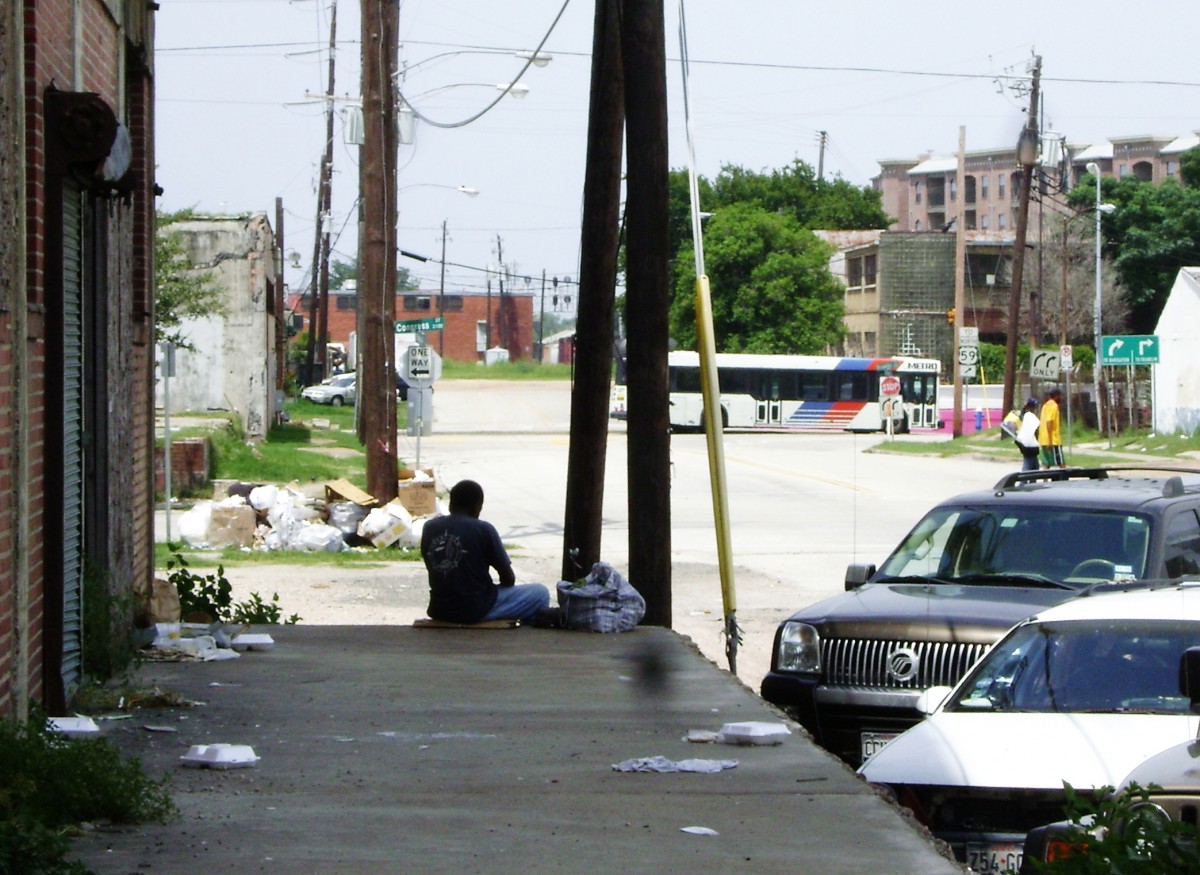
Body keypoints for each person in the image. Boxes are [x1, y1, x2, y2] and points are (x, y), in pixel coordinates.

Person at [421, 479, 550, 624]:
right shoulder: (483, 529)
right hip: (476, 609)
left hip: (440, 609)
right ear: (478, 506)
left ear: (451, 503)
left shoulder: (429, 527)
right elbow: (508, 578)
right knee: (540, 593)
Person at [1038, 387, 1065, 469]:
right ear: (1056, 396)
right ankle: (1064, 480)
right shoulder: (1054, 406)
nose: (1061, 397)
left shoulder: (1045, 406)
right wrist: (1050, 441)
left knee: (1046, 463)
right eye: (1060, 395)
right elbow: (1049, 422)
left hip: (1043, 439)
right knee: (1061, 463)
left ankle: (1045, 480)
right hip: (1053, 440)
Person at [1015, 397, 1042, 472]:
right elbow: (1036, 430)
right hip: (1029, 445)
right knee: (1028, 466)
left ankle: (1030, 482)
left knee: (1034, 465)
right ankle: (1023, 483)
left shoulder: (1025, 415)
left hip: (1023, 442)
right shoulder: (1030, 416)